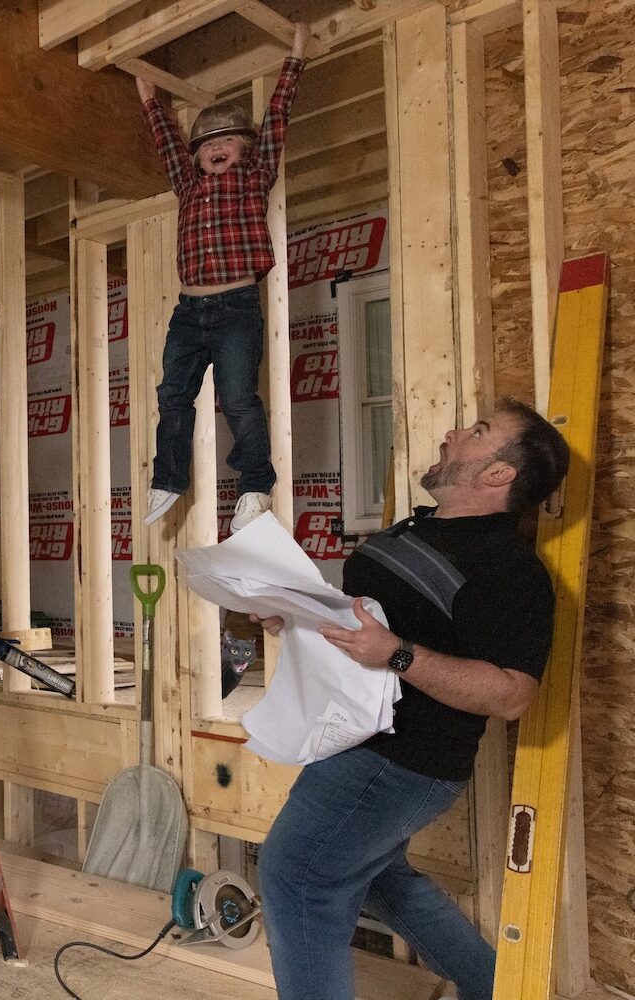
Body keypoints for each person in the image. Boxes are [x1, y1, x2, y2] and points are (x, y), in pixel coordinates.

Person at [251, 399, 570, 1000]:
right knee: (378, 877)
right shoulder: (419, 527)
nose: (453, 434)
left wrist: (398, 655)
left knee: (297, 877)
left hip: (396, 763)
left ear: (499, 474)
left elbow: (511, 695)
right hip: (355, 743)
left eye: (476, 433)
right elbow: (364, 624)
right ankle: (500, 991)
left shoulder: (508, 568)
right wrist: (296, 616)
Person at [136, 22, 312, 533]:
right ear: (194, 157)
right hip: (188, 311)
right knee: (172, 394)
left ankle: (256, 484)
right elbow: (166, 140)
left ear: (247, 150)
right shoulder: (187, 184)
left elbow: (277, 114)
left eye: (231, 141)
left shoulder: (255, 175)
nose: (220, 148)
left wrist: (295, 55)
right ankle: (168, 478)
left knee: (237, 398)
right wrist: (149, 98)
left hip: (236, 306)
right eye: (209, 144)